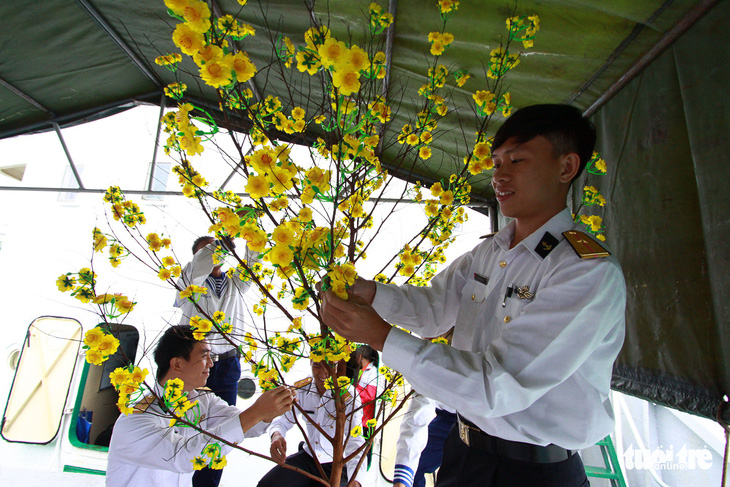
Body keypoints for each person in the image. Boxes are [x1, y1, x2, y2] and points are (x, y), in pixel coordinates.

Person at [321, 104, 626, 486]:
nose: (500, 176)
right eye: (497, 163)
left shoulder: (584, 271)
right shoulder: (490, 251)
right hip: (464, 453)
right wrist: (370, 293)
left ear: (566, 168)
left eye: (517, 160)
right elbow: (433, 308)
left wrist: (380, 337)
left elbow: (495, 385)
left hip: (534, 472)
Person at [106, 325, 294, 487]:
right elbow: (184, 456)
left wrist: (270, 411)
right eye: (205, 356)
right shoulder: (136, 419)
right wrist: (257, 411)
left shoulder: (202, 400)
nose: (211, 363)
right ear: (177, 364)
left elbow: (243, 426)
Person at [174, 235, 256, 486]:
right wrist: (219, 241)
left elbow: (253, 262)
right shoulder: (189, 283)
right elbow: (198, 268)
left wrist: (247, 230)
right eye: (208, 251)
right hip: (194, 363)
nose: (215, 254)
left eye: (220, 249)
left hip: (228, 363)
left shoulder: (234, 282)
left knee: (223, 427)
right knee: (186, 424)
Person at [258, 361, 366, 487]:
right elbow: (282, 419)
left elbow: (355, 442)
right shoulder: (301, 389)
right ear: (310, 362)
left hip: (337, 463)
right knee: (268, 484)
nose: (323, 373)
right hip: (308, 456)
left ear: (337, 366)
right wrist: (276, 435)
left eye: (329, 366)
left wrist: (356, 480)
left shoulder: (349, 396)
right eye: (317, 366)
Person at [393, 393, 456, 487]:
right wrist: (401, 482)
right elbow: (416, 417)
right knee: (415, 466)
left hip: (480, 423)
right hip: (448, 416)